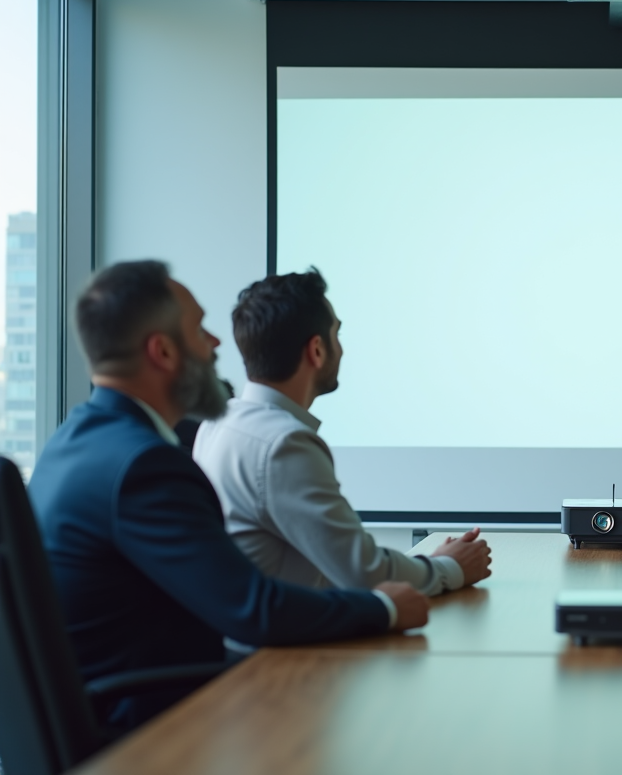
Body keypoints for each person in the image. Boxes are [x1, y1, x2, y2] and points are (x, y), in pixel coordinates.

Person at [29, 261, 430, 729]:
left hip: (111, 708)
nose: (217, 343)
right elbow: (254, 609)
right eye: (200, 330)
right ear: (163, 351)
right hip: (146, 729)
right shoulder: (144, 467)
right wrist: (383, 607)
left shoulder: (72, 441)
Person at [193, 269, 492, 595]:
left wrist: (430, 564)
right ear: (317, 350)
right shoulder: (283, 444)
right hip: (291, 628)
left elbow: (338, 562)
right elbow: (363, 572)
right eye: (337, 334)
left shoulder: (217, 423)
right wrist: (451, 568)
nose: (342, 349)